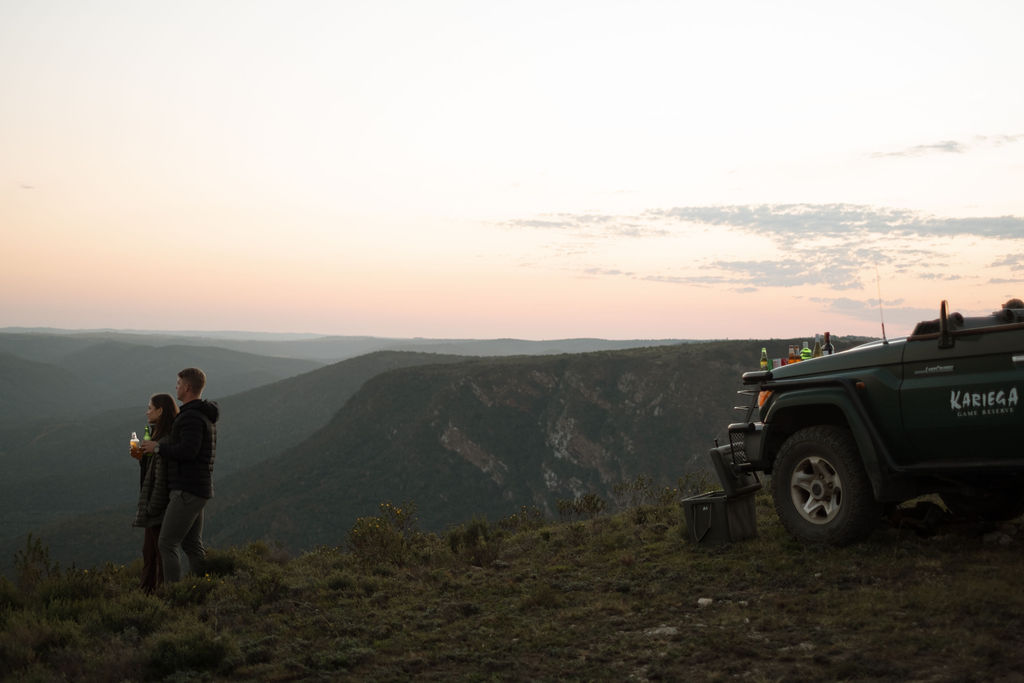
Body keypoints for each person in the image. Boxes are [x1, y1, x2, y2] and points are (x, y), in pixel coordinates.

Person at [140, 367, 219, 583]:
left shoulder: (191, 417)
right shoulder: (202, 415)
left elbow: (188, 451)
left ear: (187, 387)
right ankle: (203, 587)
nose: (176, 387)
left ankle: (174, 593)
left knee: (166, 543)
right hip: (199, 488)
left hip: (187, 489)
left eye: (178, 384)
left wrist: (158, 447)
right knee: (192, 544)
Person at [132, 393, 178, 593]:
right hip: (154, 504)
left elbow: (160, 480)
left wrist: (151, 507)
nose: (147, 412)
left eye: (150, 408)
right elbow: (151, 471)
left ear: (160, 411)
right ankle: (149, 592)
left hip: (157, 506)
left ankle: (158, 593)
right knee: (150, 552)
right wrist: (141, 457)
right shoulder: (156, 438)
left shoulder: (164, 440)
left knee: (157, 553)